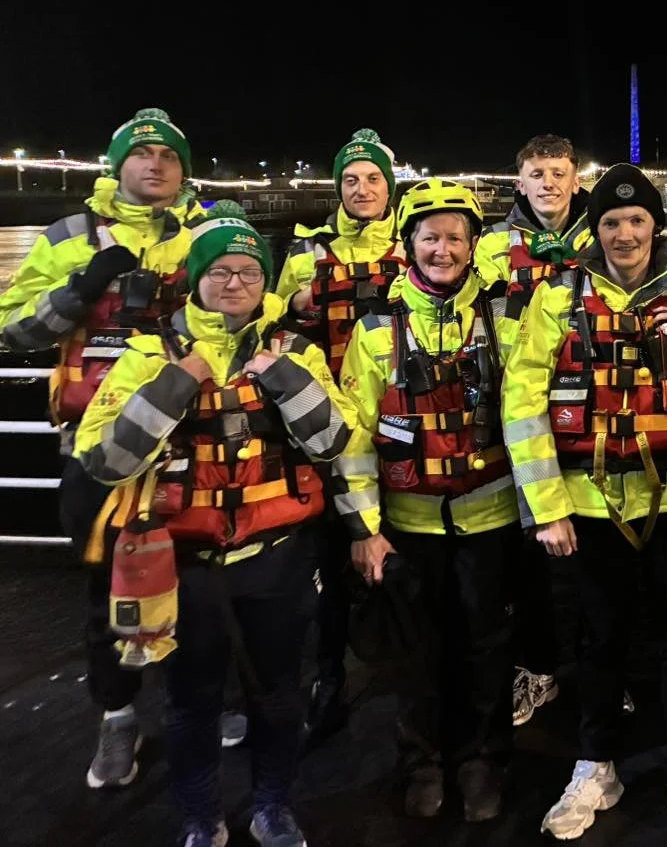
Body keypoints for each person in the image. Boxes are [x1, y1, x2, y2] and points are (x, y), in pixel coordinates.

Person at [73, 199, 351, 847]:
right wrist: (177, 383)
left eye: (249, 272)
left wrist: (281, 378)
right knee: (191, 702)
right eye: (220, 271)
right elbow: (103, 459)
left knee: (279, 697)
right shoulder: (148, 355)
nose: (234, 283)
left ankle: (272, 806)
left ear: (265, 281)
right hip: (185, 563)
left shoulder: (295, 352)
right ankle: (201, 819)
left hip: (277, 558)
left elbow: (335, 439)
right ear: (196, 279)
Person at [502, 164, 667, 844]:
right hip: (590, 502)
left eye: (636, 221)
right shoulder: (557, 296)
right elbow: (523, 400)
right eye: (610, 222)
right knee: (596, 640)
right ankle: (594, 763)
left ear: (655, 227)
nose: (625, 233)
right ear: (594, 229)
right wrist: (546, 505)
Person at [0, 107, 220, 789]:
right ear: (117, 164)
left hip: (192, 439)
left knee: (205, 581)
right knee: (109, 591)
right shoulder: (69, 235)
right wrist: (83, 286)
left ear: (183, 171)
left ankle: (207, 705)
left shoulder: (209, 229)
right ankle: (117, 718)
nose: (154, 164)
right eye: (141, 153)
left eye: (168, 156)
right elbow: (14, 332)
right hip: (97, 446)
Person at [334, 178, 518, 823]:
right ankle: (421, 761)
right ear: (409, 244)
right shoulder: (375, 331)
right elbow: (355, 434)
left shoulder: (502, 323)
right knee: (418, 653)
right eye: (431, 237)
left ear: (474, 246)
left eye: (456, 238)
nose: (444, 249)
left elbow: (526, 417)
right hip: (408, 525)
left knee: (487, 647)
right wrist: (364, 527)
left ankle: (481, 759)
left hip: (489, 518)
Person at [274, 127, 404, 743]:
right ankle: (329, 676)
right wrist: (294, 301)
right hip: (323, 426)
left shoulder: (414, 244)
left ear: (389, 184)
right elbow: (270, 328)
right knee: (327, 560)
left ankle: (407, 669)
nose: (362, 188)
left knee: (400, 554)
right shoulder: (304, 254)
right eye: (350, 179)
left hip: (399, 420)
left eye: (373, 177)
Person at [474, 133, 591, 728]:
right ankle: (538, 667)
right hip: (515, 408)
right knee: (532, 557)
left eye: (559, 172)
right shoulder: (491, 245)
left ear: (576, 180)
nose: (549, 182)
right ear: (518, 182)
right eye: (537, 173)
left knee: (593, 555)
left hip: (592, 411)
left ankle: (598, 670)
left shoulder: (601, 237)